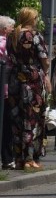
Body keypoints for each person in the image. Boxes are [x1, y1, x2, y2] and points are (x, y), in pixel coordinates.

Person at [6, 7, 51, 171]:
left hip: (15, 80)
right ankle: (30, 159)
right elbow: (44, 59)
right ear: (32, 19)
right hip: (32, 80)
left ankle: (18, 159)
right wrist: (45, 73)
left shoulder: (12, 35)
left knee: (17, 121)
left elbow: (9, 58)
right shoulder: (35, 36)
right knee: (33, 120)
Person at [0, 15, 17, 169]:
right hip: (5, 90)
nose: (13, 29)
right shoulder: (6, 43)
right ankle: (7, 158)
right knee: (6, 125)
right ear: (5, 30)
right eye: (11, 27)